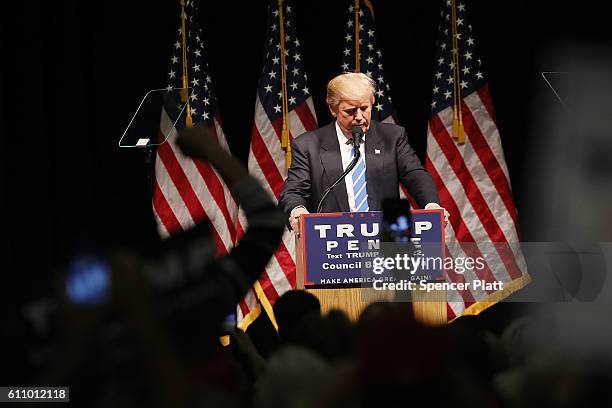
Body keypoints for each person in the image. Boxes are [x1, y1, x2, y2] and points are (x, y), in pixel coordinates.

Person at [279, 72, 448, 231]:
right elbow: (294, 191)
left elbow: (414, 174)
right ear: (333, 109)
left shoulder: (393, 137)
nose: (359, 116)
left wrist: (431, 206)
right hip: (333, 244)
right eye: (350, 111)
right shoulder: (308, 145)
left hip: (387, 237)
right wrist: (297, 211)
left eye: (364, 108)